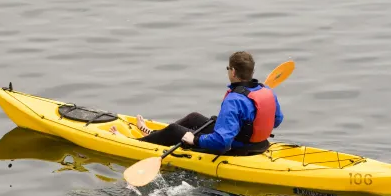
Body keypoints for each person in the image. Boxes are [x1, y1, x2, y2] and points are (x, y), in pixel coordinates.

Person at [109, 51, 284, 155]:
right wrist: (245, 124)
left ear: (233, 71)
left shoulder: (234, 100)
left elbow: (222, 142)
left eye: (228, 69)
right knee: (194, 118)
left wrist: (195, 140)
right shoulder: (266, 91)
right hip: (259, 144)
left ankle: (134, 144)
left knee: (173, 130)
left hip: (238, 149)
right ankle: (151, 134)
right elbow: (276, 120)